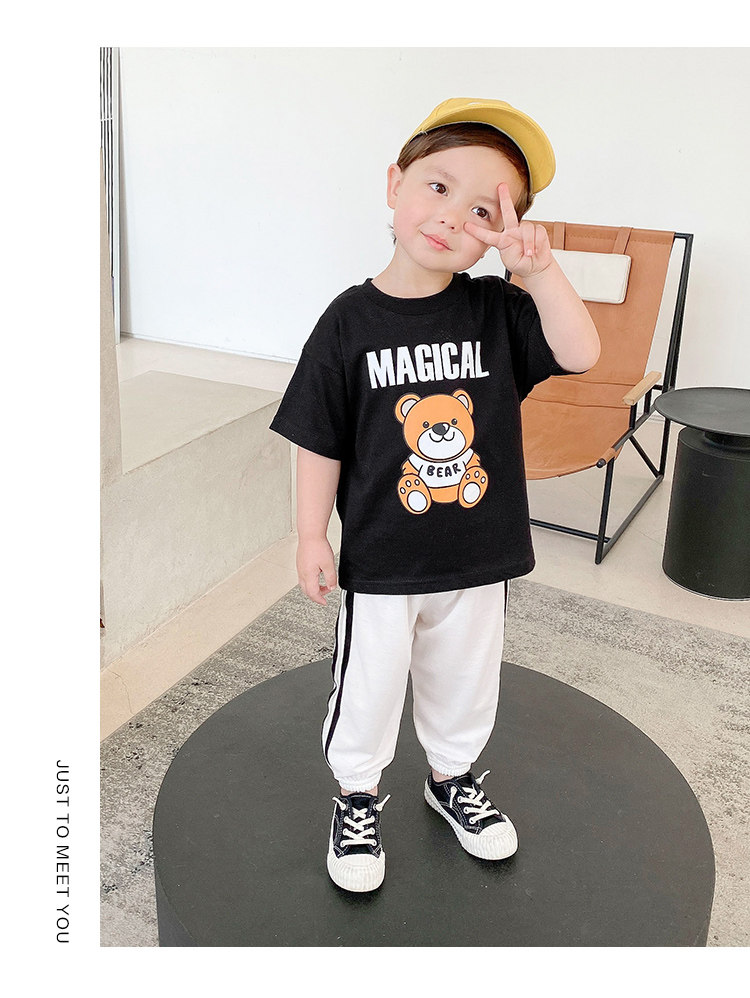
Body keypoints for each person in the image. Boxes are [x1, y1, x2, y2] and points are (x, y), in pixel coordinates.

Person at [270, 97, 600, 893]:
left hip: (479, 554)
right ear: (395, 184)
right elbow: (318, 436)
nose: (453, 216)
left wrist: (539, 272)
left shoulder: (497, 311)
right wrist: (311, 535)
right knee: (370, 685)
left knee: (464, 679)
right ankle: (357, 795)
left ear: (500, 231)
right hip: (384, 557)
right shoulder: (347, 323)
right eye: (439, 187)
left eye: (484, 210)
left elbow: (581, 352)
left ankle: (452, 779)